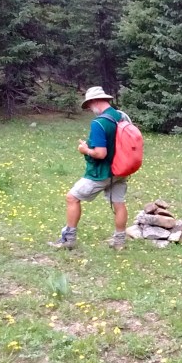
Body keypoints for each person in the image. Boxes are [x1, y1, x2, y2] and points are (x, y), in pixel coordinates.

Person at [49, 86, 130, 250]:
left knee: (72, 197)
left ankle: (68, 240)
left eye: (89, 105)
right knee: (119, 203)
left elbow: (100, 153)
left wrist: (85, 149)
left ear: (94, 101)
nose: (90, 109)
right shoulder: (121, 116)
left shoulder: (99, 123)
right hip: (121, 170)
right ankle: (119, 242)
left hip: (101, 173)